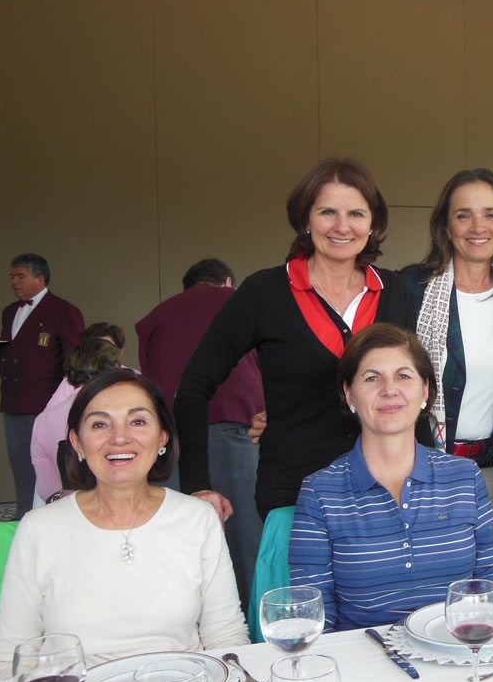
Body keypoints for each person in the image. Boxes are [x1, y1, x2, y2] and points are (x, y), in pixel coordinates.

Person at [174, 159, 415, 520]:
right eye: (327, 212)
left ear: (373, 223)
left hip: (388, 493)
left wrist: (431, 478)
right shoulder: (265, 292)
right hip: (294, 496)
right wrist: (197, 484)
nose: (342, 226)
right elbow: (194, 385)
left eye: (356, 214)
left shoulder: (394, 290)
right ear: (306, 219)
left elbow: (412, 390)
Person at [0, 369, 248, 682]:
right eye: (100, 424)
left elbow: (226, 637)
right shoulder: (39, 528)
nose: (120, 437)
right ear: (77, 442)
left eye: (138, 421)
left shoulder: (198, 519)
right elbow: (5, 661)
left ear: (162, 437)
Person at [289, 324, 493, 631]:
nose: (389, 389)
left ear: (425, 391)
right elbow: (313, 620)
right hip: (364, 657)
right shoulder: (320, 492)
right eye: (372, 378)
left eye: (403, 376)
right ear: (349, 394)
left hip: (460, 650)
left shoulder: (465, 477)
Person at [401, 169, 493, 571]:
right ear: (445, 226)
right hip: (420, 471)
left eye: (490, 215)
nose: (478, 227)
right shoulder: (411, 289)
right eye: (463, 215)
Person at [137, 258, 265, 610]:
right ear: (227, 282)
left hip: (171, 441)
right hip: (235, 430)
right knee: (244, 540)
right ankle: (253, 625)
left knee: (181, 541)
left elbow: (150, 381)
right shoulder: (239, 301)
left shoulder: (157, 315)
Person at [0, 254, 84, 518]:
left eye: (20, 276)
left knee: (53, 463)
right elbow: (11, 347)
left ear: (40, 278)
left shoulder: (63, 310)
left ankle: (58, 517)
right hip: (14, 400)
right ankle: (24, 516)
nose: (14, 282)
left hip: (47, 403)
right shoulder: (9, 311)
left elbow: (76, 358)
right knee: (20, 463)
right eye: (12, 277)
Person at [30, 337, 122, 501]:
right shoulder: (127, 411)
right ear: (115, 369)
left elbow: (46, 490)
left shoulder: (43, 420)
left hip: (66, 507)